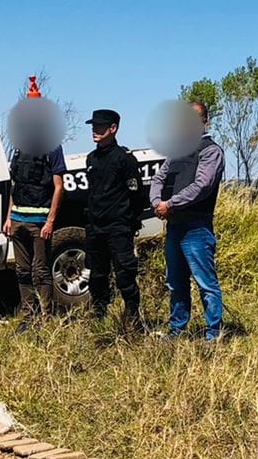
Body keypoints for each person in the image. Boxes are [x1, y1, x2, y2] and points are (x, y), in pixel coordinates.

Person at [149, 101, 226, 340]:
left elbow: (201, 186)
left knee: (206, 283)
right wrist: (156, 202)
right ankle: (177, 330)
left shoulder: (211, 151)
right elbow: (159, 178)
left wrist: (169, 204)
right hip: (175, 227)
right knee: (176, 283)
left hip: (196, 228)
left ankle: (214, 333)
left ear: (205, 122)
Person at [2, 101, 67, 330]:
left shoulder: (53, 147)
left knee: (40, 271)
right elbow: (15, 184)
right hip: (18, 219)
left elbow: (59, 186)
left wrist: (50, 221)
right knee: (21, 271)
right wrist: (9, 217)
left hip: (39, 222)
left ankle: (45, 318)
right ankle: (28, 316)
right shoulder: (19, 147)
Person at [83, 108, 145, 325]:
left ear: (113, 128)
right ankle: (99, 316)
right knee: (97, 276)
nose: (95, 131)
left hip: (118, 227)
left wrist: (128, 221)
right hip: (96, 228)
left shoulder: (124, 159)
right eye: (93, 127)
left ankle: (132, 317)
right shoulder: (91, 159)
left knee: (125, 275)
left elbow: (136, 194)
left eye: (100, 127)